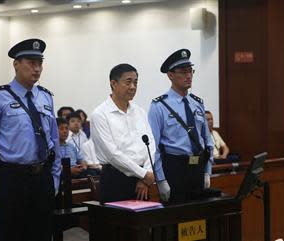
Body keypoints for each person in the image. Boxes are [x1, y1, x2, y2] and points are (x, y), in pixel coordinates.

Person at [0, 38, 61, 241]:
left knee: (42, 233)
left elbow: (54, 140)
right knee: (12, 234)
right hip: (12, 178)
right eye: (31, 63)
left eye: (40, 63)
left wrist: (55, 177)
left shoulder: (45, 96)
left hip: (42, 177)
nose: (37, 68)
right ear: (16, 64)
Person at [148, 49, 214, 203]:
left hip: (197, 168)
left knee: (198, 218)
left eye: (191, 71)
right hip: (175, 169)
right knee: (177, 219)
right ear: (170, 75)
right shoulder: (159, 106)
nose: (189, 76)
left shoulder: (197, 103)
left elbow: (207, 140)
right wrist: (161, 180)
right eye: (183, 72)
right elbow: (154, 147)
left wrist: (207, 171)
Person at [91, 63, 156, 203]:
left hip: (143, 180)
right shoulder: (100, 114)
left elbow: (151, 144)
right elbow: (113, 155)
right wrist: (144, 174)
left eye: (135, 82)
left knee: (144, 222)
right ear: (113, 83)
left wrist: (145, 177)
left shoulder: (140, 111)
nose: (133, 87)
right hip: (115, 179)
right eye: (128, 82)